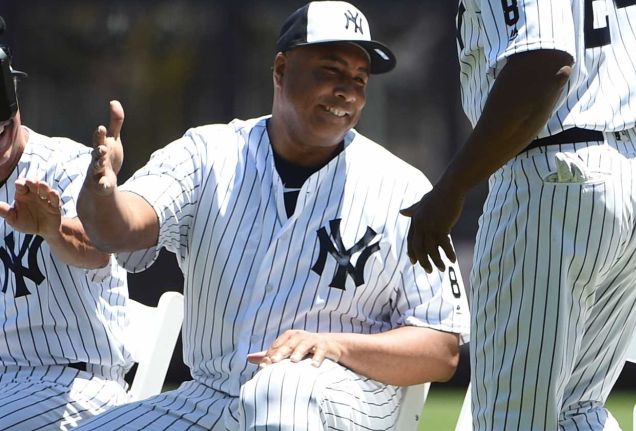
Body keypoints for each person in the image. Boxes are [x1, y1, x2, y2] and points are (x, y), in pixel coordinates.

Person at [75, 2, 469, 430]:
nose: (348, 92)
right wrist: (102, 194)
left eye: (359, 78)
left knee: (282, 388)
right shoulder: (208, 154)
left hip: (341, 399)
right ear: (281, 70)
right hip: (212, 397)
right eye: (330, 70)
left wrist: (334, 346)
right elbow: (121, 228)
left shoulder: (404, 188)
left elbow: (441, 347)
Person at [402, 0, 636, 429]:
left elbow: (545, 62)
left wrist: (452, 188)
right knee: (577, 410)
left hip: (556, 174)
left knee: (512, 418)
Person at [0, 18, 132, 431]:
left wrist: (54, 231)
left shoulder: (64, 164)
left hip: (77, 384)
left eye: (4, 127)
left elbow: (97, 246)